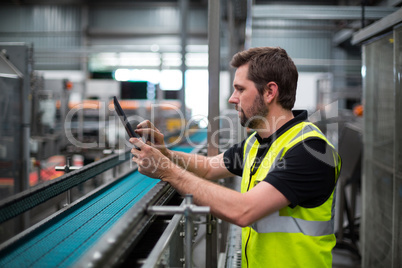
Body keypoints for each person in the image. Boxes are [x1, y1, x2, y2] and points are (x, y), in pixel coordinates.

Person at [130, 47, 341, 268]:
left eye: (240, 89)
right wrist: (166, 154)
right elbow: (208, 167)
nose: (232, 99)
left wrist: (165, 169)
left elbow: (243, 210)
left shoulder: (309, 151)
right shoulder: (257, 142)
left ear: (270, 92)